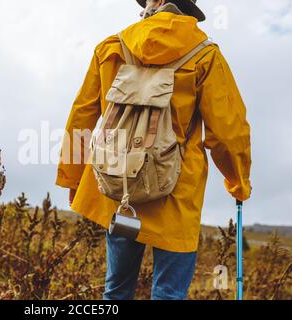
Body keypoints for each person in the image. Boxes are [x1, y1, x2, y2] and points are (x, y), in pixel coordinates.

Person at [56, 0, 252, 300]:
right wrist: (238, 182)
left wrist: (72, 177)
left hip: (118, 185)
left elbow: (82, 116)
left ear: (157, 2)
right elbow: (228, 132)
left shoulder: (111, 47)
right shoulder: (206, 55)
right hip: (176, 194)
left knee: (116, 292)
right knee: (168, 294)